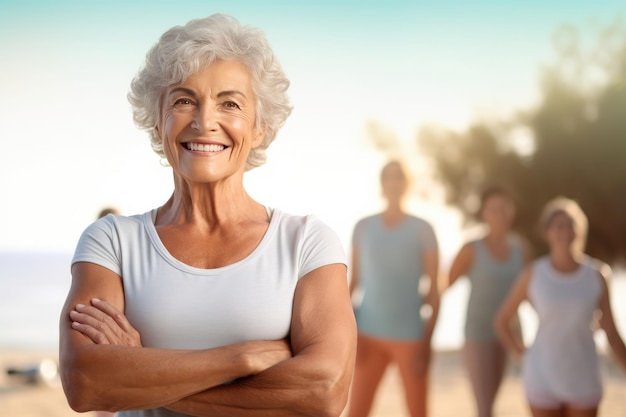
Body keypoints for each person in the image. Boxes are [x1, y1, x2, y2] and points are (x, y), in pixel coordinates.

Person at [59, 13, 356, 417]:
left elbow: (324, 391)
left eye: (230, 103)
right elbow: (84, 382)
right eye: (183, 100)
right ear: (157, 118)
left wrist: (142, 372)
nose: (204, 122)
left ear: (259, 127)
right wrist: (242, 359)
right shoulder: (111, 241)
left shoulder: (306, 242)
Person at [494, 197, 626, 417]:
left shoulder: (597, 275)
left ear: (579, 230)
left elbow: (611, 330)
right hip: (541, 377)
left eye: (571, 224)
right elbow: (502, 321)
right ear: (547, 232)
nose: (565, 231)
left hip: (584, 377)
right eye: (558, 225)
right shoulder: (533, 274)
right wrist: (522, 355)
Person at [348, 160, 439, 417]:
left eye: (399, 176)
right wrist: (351, 335)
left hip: (410, 337)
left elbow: (434, 290)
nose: (393, 181)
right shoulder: (363, 227)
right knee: (356, 412)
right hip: (367, 336)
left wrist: (427, 343)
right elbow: (352, 284)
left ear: (407, 184)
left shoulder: (423, 230)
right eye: (388, 176)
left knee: (418, 412)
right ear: (381, 183)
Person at [445, 185, 532, 417]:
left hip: (509, 333)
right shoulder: (471, 249)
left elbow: (530, 293)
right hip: (478, 333)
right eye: (493, 209)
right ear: (484, 213)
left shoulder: (521, 248)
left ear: (511, 212)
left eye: (504, 208)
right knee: (484, 407)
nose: (499, 214)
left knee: (493, 401)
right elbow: (444, 284)